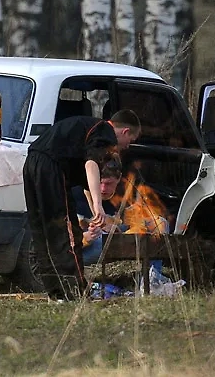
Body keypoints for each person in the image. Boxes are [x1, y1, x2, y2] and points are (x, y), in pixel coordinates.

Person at [22, 110, 141, 300]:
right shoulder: (105, 131)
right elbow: (91, 165)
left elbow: (87, 181)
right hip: (51, 166)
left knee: (44, 231)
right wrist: (99, 205)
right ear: (125, 131)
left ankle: (57, 292)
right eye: (130, 141)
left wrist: (96, 213)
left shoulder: (86, 130)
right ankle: (75, 291)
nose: (126, 146)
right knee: (67, 231)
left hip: (32, 163)